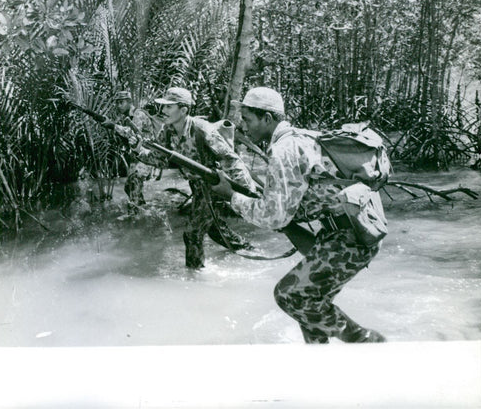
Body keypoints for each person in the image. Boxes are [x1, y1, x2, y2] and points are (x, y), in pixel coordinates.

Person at [224, 86, 386, 343]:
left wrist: (230, 196)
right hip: (346, 231)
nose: (243, 126)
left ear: (267, 118)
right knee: (310, 308)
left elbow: (273, 217)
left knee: (291, 296)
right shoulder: (300, 138)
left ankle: (366, 341)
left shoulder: (284, 150)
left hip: (350, 236)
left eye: (248, 119)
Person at [133, 86, 256, 269]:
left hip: (214, 185)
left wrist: (246, 192)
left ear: (183, 110)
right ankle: (248, 250)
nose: (163, 111)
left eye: (169, 107)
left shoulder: (202, 130)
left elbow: (230, 159)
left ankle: (195, 275)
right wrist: (136, 147)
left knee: (192, 233)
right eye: (163, 106)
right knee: (213, 228)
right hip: (197, 186)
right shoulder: (167, 132)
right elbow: (158, 160)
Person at [113, 90, 157, 215]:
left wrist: (113, 126)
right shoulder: (127, 117)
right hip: (137, 157)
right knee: (129, 187)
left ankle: (134, 217)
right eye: (117, 103)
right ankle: (144, 212)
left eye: (121, 102)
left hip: (147, 156)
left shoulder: (138, 115)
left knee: (133, 184)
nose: (118, 105)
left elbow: (133, 135)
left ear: (129, 102)